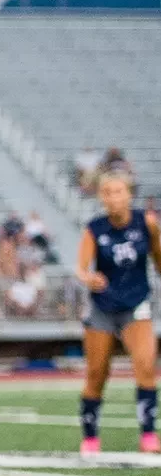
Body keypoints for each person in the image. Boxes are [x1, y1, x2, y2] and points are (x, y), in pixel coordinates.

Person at [75, 167, 161, 455]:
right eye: (107, 193)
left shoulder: (146, 223)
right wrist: (89, 278)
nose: (113, 198)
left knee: (146, 365)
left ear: (130, 194)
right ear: (101, 197)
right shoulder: (95, 229)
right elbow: (82, 268)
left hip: (136, 304)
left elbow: (158, 256)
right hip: (103, 308)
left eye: (118, 191)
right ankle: (90, 436)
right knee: (97, 372)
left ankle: (149, 433)